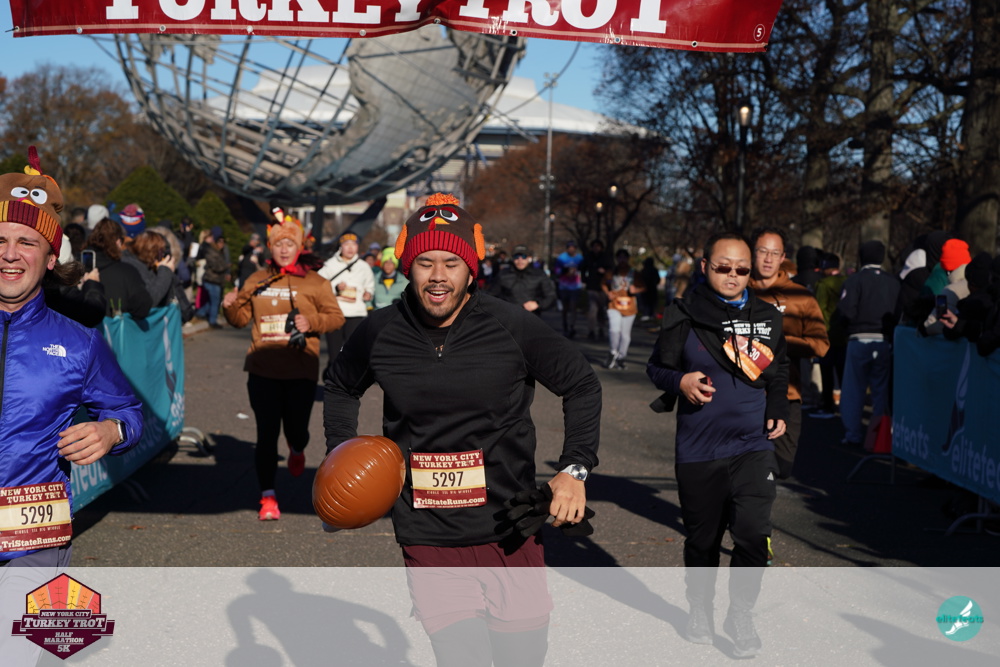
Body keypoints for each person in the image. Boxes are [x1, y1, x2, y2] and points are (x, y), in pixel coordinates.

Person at [325, 193, 600, 667]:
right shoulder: (380, 331)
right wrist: (342, 457)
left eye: (451, 263)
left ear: (471, 269)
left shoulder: (512, 326)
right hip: (426, 533)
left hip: (509, 528)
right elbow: (340, 386)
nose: (438, 276)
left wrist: (574, 470)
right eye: (425, 262)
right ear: (407, 267)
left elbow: (581, 384)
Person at [0, 151, 142, 666]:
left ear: (49, 256)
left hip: (31, 536)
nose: (10, 255)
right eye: (0, 240)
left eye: (26, 242)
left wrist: (110, 432)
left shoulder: (79, 343)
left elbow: (131, 413)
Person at [646, 231, 788, 657]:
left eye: (742, 269)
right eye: (724, 267)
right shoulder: (684, 314)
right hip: (699, 448)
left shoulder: (767, 317)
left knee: (753, 533)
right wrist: (681, 381)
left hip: (752, 445)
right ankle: (700, 606)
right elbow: (656, 369)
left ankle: (740, 613)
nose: (733, 275)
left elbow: (778, 371)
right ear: (705, 266)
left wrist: (777, 407)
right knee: (702, 540)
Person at [223, 213, 345, 521]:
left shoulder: (316, 282)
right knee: (266, 434)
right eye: (279, 244)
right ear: (270, 247)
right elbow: (240, 319)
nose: (284, 249)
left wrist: (311, 322)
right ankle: (268, 497)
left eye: (290, 243)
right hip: (262, 369)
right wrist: (230, 307)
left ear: (299, 246)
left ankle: (297, 447)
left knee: (297, 431)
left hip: (300, 370)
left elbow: (336, 318)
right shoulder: (257, 279)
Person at [749, 228, 829, 479]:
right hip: (741, 393)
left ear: (783, 257)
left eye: (775, 253)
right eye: (763, 251)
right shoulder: (737, 291)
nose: (768, 259)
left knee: (781, 466)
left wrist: (779, 343)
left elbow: (821, 345)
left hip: (786, 392)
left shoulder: (800, 296)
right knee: (746, 465)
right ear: (752, 253)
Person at [837, 240, 900, 447]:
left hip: (858, 339)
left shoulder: (854, 281)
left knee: (854, 390)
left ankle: (853, 434)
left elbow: (846, 312)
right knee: (880, 392)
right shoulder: (893, 282)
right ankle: (878, 437)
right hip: (883, 341)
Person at [318, 232, 374, 369]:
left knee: (353, 352)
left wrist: (368, 293)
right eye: (346, 244)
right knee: (334, 354)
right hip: (334, 313)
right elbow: (318, 285)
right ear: (340, 246)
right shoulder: (330, 265)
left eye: (354, 244)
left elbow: (370, 286)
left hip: (356, 313)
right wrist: (335, 287)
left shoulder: (363, 266)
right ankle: (332, 376)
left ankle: (348, 380)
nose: (350, 248)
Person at [84, 218, 153, 319]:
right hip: (116, 327)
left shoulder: (78, 267)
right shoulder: (128, 273)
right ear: (118, 242)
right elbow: (142, 307)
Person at [813, 252, 848, 418]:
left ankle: (827, 405)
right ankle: (847, 406)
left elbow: (818, 310)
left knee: (827, 373)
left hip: (827, 334)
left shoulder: (823, 284)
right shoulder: (848, 281)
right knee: (844, 374)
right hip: (845, 335)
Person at [603, 248, 645, 370]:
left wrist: (635, 290)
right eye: (619, 257)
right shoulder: (611, 272)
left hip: (629, 307)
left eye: (624, 257)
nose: (622, 260)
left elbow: (644, 286)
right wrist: (608, 293)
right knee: (614, 330)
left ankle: (621, 357)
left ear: (627, 259)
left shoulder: (634, 273)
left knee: (625, 335)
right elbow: (603, 283)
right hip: (614, 305)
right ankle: (612, 352)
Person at [491, 244, 556, 314]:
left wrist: (538, 304)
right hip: (508, 316)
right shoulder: (503, 274)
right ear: (513, 258)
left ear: (529, 258)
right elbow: (492, 296)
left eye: (524, 256)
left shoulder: (539, 274)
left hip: (532, 316)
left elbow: (551, 297)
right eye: (516, 257)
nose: (520, 260)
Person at [192, 226, 230, 329]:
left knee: (211, 300)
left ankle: (200, 313)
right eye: (219, 241)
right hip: (212, 278)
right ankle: (212, 320)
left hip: (215, 278)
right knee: (215, 301)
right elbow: (215, 265)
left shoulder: (218, 250)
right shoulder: (209, 249)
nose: (221, 243)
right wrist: (226, 266)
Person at [581, 239, 612, 339]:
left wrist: (605, 272)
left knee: (602, 309)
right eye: (594, 246)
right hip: (592, 286)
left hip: (603, 287)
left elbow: (611, 270)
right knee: (592, 309)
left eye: (598, 246)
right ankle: (591, 330)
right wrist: (585, 279)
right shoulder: (588, 257)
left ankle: (601, 328)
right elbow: (582, 268)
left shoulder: (605, 258)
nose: (596, 248)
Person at [553, 239, 584, 337]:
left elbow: (584, 269)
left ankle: (572, 326)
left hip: (575, 286)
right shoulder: (562, 258)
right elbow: (556, 270)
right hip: (564, 286)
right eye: (569, 248)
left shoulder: (579, 258)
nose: (571, 249)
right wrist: (564, 271)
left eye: (573, 248)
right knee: (565, 308)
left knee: (573, 307)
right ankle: (565, 325)